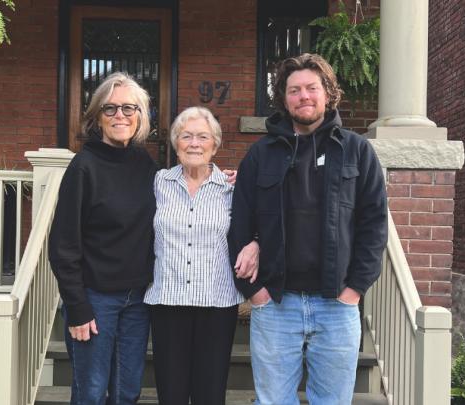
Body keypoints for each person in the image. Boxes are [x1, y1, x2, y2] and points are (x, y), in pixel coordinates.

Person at [228, 53, 388, 404]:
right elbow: (240, 222)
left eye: (312, 88)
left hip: (337, 303)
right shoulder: (261, 155)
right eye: (294, 90)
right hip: (276, 304)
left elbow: (374, 227)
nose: (304, 96)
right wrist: (256, 292)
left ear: (327, 93)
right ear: (283, 99)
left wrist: (355, 290)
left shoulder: (357, 152)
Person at [49, 72, 156, 405]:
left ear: (140, 115)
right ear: (97, 117)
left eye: (128, 108)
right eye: (110, 109)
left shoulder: (146, 165)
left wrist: (219, 178)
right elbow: (63, 246)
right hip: (95, 299)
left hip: (138, 299)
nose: (120, 116)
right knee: (91, 392)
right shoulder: (84, 167)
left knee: (127, 391)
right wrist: (78, 307)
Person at [144, 106, 259, 405]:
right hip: (167, 300)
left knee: (210, 392)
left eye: (202, 136)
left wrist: (256, 244)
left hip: (216, 303)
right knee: (171, 393)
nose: (194, 143)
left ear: (215, 145)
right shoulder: (157, 183)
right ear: (175, 143)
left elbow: (258, 224)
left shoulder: (232, 189)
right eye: (186, 136)